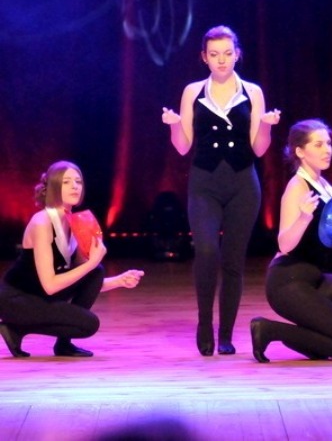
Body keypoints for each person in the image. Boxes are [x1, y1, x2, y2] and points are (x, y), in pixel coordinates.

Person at [161, 25, 281, 356]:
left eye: (227, 53)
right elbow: (183, 147)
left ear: (237, 54)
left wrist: (266, 126)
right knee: (206, 251)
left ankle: (226, 334)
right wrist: (174, 125)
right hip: (205, 183)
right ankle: (205, 325)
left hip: (243, 184)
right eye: (214, 54)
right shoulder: (193, 92)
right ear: (204, 57)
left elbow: (259, 148)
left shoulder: (252, 92)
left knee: (232, 260)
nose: (222, 60)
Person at [249, 120, 332, 362]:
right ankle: (269, 329)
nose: (327, 150)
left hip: (315, 279)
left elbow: (319, 238)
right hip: (288, 282)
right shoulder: (297, 188)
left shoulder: (323, 184)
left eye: (328, 144)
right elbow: (284, 245)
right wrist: (303, 218)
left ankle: (315, 332)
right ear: (300, 151)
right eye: (318, 145)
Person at [0, 161, 144, 358]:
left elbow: (81, 279)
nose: (75, 186)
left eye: (78, 181)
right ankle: (15, 327)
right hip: (16, 299)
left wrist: (119, 281)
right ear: (53, 186)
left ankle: (63, 344)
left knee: (96, 272)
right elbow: (50, 285)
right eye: (67, 182)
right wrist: (91, 263)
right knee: (88, 324)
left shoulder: (75, 221)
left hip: (40, 296)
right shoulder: (42, 222)